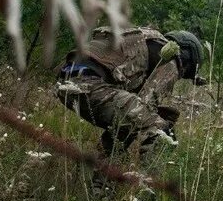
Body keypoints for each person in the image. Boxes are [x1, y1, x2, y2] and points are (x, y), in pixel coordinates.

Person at [55, 26, 206, 158]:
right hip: (90, 83)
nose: (180, 74)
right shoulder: (171, 60)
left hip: (67, 80)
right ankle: (150, 184)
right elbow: (147, 103)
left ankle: (103, 182)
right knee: (163, 133)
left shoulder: (146, 39)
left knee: (128, 123)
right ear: (187, 59)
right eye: (185, 72)